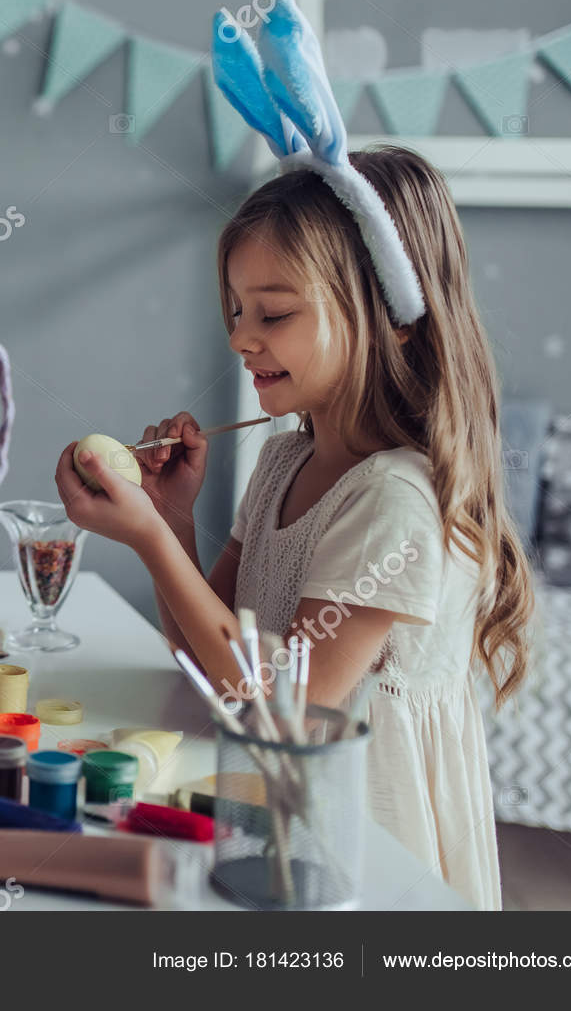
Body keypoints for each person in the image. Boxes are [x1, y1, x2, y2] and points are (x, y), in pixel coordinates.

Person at [58, 144, 533, 910]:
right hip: (280, 812)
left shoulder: (393, 500)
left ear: (393, 319)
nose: (243, 338)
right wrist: (172, 523)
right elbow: (208, 658)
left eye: (274, 313)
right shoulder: (282, 462)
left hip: (367, 841)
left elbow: (279, 701)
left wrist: (146, 534)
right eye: (237, 311)